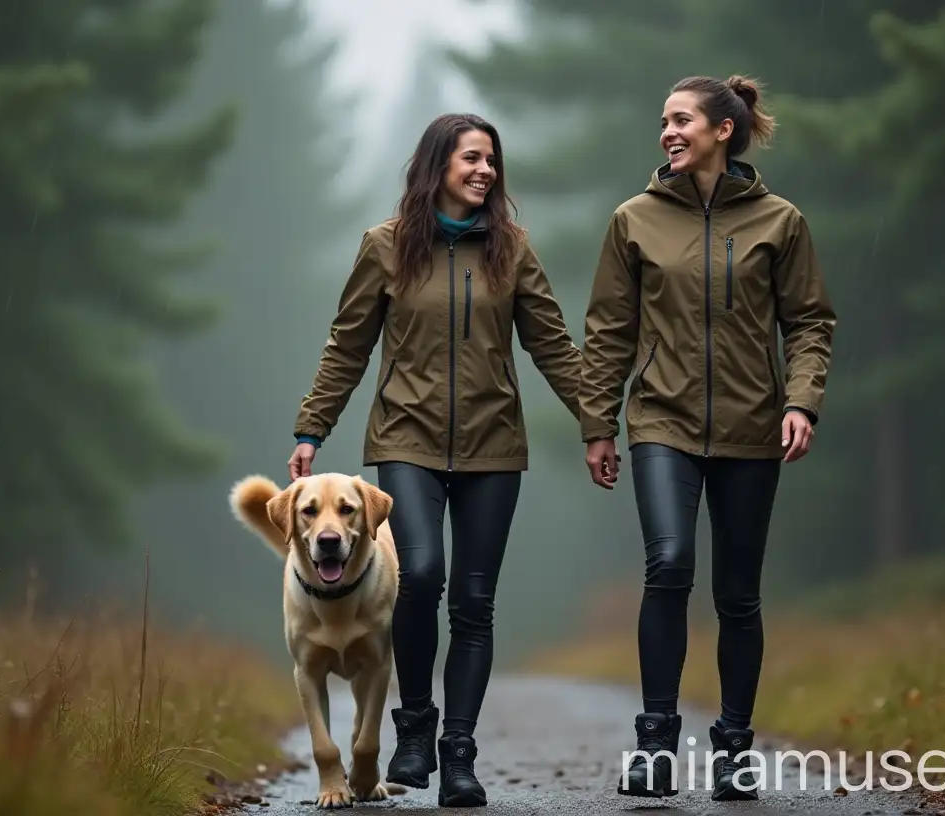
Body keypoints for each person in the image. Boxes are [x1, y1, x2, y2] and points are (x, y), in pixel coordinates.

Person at [288, 112, 582, 808]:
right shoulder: (386, 248)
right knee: (421, 573)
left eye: (492, 162)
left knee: (475, 604)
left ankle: (458, 754)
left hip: (493, 445)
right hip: (405, 438)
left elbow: (552, 345)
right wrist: (312, 427)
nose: (485, 172)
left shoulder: (513, 251)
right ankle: (415, 726)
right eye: (471, 159)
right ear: (437, 167)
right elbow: (347, 346)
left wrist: (598, 422)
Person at [578, 75, 836, 801]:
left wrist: (803, 403)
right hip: (661, 420)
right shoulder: (634, 220)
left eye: (681, 119)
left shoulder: (781, 222)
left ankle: (732, 748)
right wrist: (598, 423)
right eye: (663, 120)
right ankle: (655, 746)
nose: (667, 131)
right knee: (668, 565)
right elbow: (607, 334)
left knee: (738, 595)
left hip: (755, 426)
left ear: (724, 129)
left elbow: (811, 322)